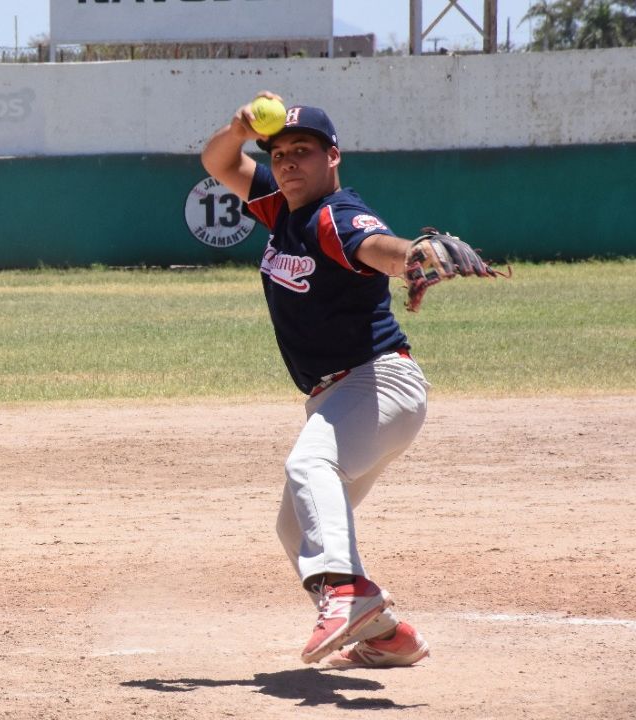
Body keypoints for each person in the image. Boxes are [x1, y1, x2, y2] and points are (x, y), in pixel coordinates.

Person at [199, 93, 464, 668]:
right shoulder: (280, 207)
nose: (288, 162)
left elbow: (377, 247)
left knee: (308, 465)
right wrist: (240, 127)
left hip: (378, 383)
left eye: (303, 150)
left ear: (333, 156)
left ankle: (347, 591)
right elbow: (218, 162)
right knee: (297, 528)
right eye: (279, 153)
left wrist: (413, 256)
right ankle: (387, 635)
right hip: (340, 395)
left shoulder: (334, 215)